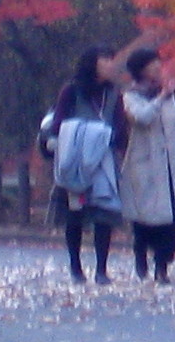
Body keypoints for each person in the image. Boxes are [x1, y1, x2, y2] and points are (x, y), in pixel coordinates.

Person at [115, 45, 175, 282]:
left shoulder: (174, 93)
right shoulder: (131, 96)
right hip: (146, 165)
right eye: (151, 64)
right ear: (140, 70)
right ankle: (140, 249)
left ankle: (162, 265)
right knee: (147, 217)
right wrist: (160, 98)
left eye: (157, 63)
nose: (157, 68)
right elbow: (142, 118)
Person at [42, 51, 123, 285]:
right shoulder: (72, 90)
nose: (110, 64)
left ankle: (101, 269)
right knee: (74, 213)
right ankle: (75, 266)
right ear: (92, 63)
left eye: (111, 60)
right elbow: (59, 122)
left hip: (103, 158)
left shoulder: (113, 93)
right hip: (75, 157)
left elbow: (119, 125)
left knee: (104, 213)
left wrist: (114, 141)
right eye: (105, 60)